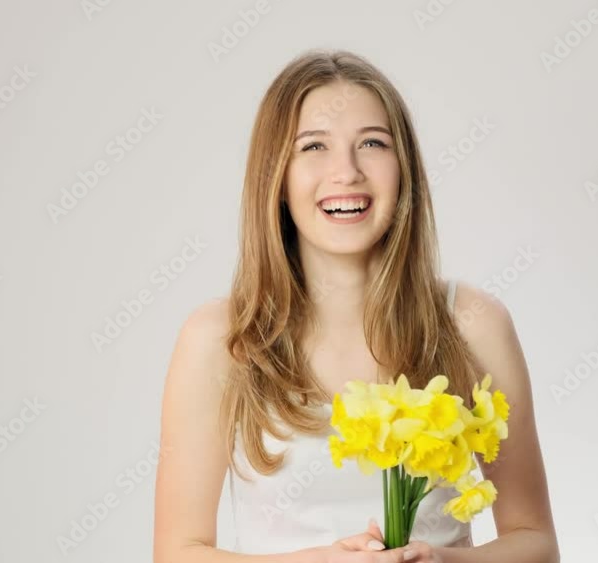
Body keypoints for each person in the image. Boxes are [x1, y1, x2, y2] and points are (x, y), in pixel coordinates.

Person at [153, 49, 560, 563]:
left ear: (403, 168)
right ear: (276, 178)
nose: (346, 172)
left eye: (372, 143)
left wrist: (441, 560)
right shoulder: (219, 338)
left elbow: (536, 543)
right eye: (313, 146)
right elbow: (177, 553)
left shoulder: (472, 324)